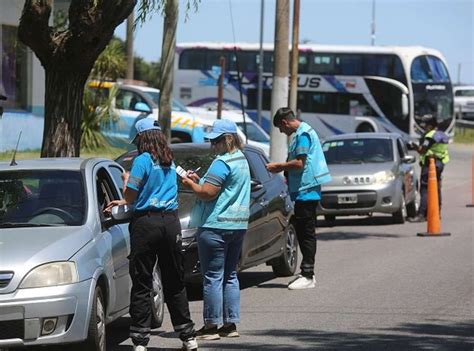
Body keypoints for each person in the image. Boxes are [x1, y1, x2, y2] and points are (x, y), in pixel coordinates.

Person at [105, 118, 197, 351]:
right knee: (174, 279)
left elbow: (131, 195)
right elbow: (184, 176)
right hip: (170, 223)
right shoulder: (169, 158)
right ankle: (188, 336)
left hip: (146, 223)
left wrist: (125, 188)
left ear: (141, 139)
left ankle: (140, 341)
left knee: (142, 281)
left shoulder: (142, 160)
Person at [182, 119, 251, 340]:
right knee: (230, 275)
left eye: (216, 141)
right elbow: (222, 189)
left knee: (212, 277)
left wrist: (191, 185)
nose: (213, 146)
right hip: (237, 225)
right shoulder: (242, 160)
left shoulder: (222, 162)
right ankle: (230, 325)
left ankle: (211, 326)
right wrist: (200, 180)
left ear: (228, 139)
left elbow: (208, 193)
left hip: (215, 226)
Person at [266, 107, 331, 290]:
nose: (282, 132)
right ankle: (307, 273)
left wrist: (279, 166)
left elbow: (299, 163)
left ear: (285, 122)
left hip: (306, 190)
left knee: (306, 233)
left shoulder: (302, 135)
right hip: (305, 190)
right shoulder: (304, 131)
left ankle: (308, 274)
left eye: (280, 128)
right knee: (305, 232)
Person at [408, 115, 449, 222]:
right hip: (440, 164)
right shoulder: (443, 135)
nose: (424, 127)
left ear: (430, 126)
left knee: (425, 189)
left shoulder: (429, 136)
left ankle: (421, 214)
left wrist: (415, 146)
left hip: (429, 165)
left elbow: (422, 150)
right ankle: (436, 213)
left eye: (425, 125)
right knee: (436, 189)